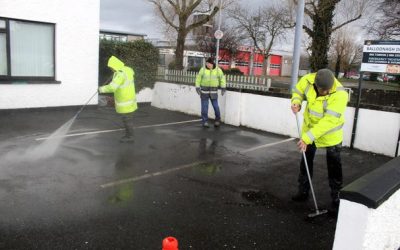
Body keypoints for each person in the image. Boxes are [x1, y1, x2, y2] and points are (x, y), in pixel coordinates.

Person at [290, 68, 348, 209]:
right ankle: (303, 192)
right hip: (309, 131)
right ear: (316, 85)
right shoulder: (309, 80)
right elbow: (298, 91)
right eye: (323, 90)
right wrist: (296, 101)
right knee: (305, 161)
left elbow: (328, 121)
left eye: (328, 89)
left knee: (334, 167)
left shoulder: (341, 95)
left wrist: (307, 138)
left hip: (330, 136)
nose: (326, 92)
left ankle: (336, 199)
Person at [99, 56, 137, 143]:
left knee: (127, 120)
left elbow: (112, 87)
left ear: (115, 65)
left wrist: (101, 89)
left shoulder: (120, 74)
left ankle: (130, 137)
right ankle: (128, 135)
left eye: (111, 67)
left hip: (125, 102)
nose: (111, 69)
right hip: (130, 100)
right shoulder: (127, 70)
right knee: (127, 120)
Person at [195, 57, 226, 128]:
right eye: (207, 63)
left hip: (213, 91)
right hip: (204, 91)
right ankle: (205, 121)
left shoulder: (218, 70)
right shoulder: (202, 70)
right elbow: (198, 78)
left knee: (216, 107)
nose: (208, 65)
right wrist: (197, 87)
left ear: (213, 64)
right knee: (204, 108)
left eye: (209, 63)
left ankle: (217, 120)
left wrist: (223, 87)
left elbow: (222, 78)